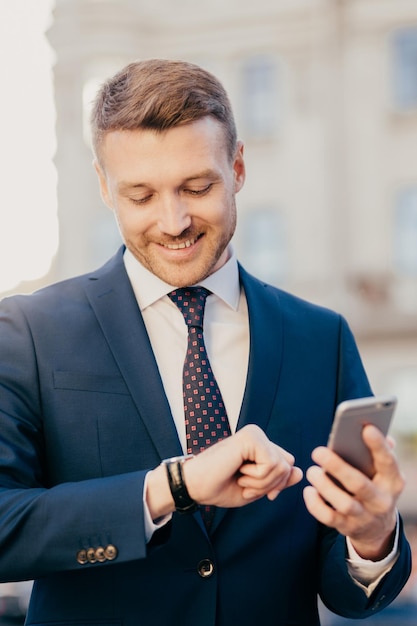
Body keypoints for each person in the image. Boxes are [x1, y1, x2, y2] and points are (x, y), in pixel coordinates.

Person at [0, 59, 411, 626]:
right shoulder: (28, 331)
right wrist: (173, 485)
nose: (173, 221)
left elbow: (348, 592)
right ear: (102, 185)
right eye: (140, 196)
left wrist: (371, 536)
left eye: (197, 187)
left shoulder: (322, 338)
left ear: (238, 166)